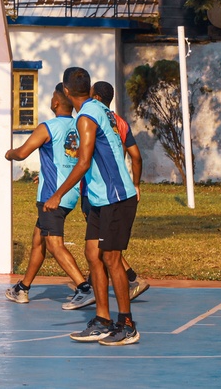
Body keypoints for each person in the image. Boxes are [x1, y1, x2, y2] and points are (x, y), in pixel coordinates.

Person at [46, 67, 141, 346]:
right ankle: (102, 320)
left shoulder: (86, 117)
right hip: (101, 198)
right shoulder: (101, 109)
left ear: (65, 91)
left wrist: (57, 194)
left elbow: (84, 162)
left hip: (116, 198)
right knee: (92, 253)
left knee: (111, 259)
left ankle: (127, 324)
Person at [4, 84, 92, 310]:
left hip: (52, 197)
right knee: (38, 240)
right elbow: (67, 159)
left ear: (55, 103)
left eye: (53, 96)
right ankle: (22, 288)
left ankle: (83, 288)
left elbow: (22, 152)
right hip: (71, 192)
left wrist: (9, 153)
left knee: (54, 244)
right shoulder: (78, 126)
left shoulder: (48, 127)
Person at [89, 81, 149, 301]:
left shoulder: (93, 119)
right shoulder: (118, 121)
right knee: (98, 249)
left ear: (94, 97)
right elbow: (136, 156)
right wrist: (136, 184)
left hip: (102, 190)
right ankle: (94, 288)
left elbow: (82, 157)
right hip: (118, 187)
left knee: (106, 249)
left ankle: (127, 284)